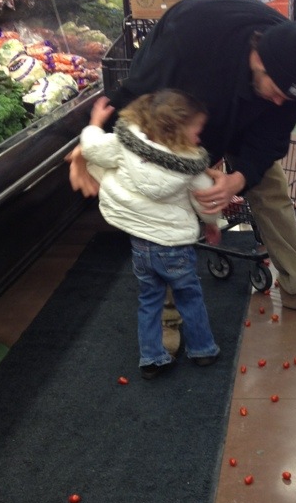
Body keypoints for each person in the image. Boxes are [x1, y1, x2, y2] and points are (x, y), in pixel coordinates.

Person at [68, 0, 296, 315]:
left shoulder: (294, 64)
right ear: (259, 60)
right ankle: (167, 312)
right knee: (165, 194)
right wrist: (89, 146)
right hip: (180, 105)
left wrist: (239, 178)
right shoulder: (190, 39)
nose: (279, 103)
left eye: (287, 99)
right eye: (276, 93)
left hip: (237, 109)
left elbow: (270, 140)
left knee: (271, 187)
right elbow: (138, 94)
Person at [80, 89, 223, 379]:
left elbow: (92, 149)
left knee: (149, 300)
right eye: (197, 130)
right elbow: (206, 200)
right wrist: (212, 224)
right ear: (177, 129)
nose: (199, 138)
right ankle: (203, 349)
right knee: (189, 297)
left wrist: (95, 123)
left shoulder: (124, 144)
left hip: (141, 246)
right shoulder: (191, 166)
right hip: (176, 248)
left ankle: (152, 357)